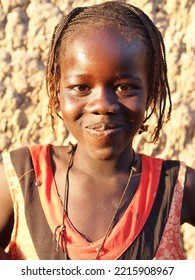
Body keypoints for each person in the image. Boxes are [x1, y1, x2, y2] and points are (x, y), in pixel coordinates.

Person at [0, 1, 194, 260]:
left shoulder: (177, 187)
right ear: (56, 92)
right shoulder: (22, 179)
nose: (103, 105)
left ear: (152, 93)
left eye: (125, 86)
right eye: (81, 87)